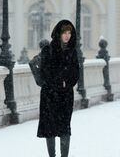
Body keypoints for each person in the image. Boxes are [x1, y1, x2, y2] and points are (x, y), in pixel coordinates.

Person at [37, 20, 79, 157]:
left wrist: (67, 82)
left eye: (69, 33)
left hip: (66, 95)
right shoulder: (48, 50)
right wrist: (57, 82)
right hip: (50, 95)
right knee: (50, 128)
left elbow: (76, 73)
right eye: (64, 32)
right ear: (58, 33)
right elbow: (44, 72)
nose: (67, 36)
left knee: (65, 128)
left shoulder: (72, 52)